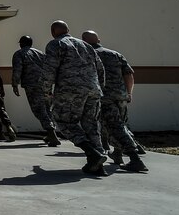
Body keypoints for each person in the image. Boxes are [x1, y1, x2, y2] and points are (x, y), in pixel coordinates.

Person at [41, 20, 107, 175]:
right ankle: (98, 165)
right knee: (91, 124)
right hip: (93, 90)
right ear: (68, 30)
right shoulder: (86, 46)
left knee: (64, 121)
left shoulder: (55, 44)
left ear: (53, 32)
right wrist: (99, 88)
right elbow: (100, 68)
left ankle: (93, 153)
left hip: (69, 90)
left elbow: (49, 70)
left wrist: (46, 91)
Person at [82, 30, 148, 172]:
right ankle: (117, 154)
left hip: (103, 97)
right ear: (98, 39)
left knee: (114, 127)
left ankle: (135, 159)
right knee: (120, 124)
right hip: (120, 96)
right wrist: (129, 93)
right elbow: (129, 74)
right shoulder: (115, 54)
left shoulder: (87, 55)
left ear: (84, 42)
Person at [11, 35, 60, 146]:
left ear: (21, 43)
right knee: (47, 109)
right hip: (45, 85)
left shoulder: (19, 54)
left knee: (39, 109)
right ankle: (51, 133)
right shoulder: (40, 53)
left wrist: (15, 85)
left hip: (32, 86)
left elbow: (17, 70)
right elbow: (49, 68)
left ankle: (52, 134)